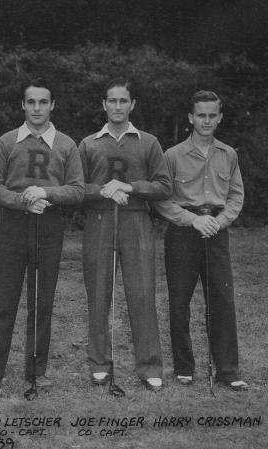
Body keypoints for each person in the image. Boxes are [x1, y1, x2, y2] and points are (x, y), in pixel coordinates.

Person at [0, 78, 84, 394]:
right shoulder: (6, 141)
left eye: (43, 102)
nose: (37, 108)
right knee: (3, 301)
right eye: (31, 102)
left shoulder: (66, 144)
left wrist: (48, 194)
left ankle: (36, 371)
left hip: (49, 228)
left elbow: (78, 189)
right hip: (12, 225)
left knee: (41, 302)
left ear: (52, 105)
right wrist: (22, 200)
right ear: (23, 105)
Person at [79, 77, 172, 391]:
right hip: (100, 220)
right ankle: (99, 363)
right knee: (99, 293)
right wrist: (105, 190)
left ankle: (150, 366)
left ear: (132, 105)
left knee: (142, 293)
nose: (117, 106)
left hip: (136, 222)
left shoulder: (148, 142)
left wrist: (130, 187)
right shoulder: (89, 143)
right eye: (112, 101)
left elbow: (163, 186)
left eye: (123, 101)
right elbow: (76, 188)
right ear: (103, 105)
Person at [154, 91, 247, 391]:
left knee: (223, 300)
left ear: (219, 117)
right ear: (191, 118)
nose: (206, 121)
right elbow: (162, 200)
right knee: (179, 302)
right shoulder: (172, 155)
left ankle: (228, 371)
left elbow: (235, 195)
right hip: (183, 232)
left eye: (212, 115)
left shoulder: (228, 154)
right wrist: (192, 219)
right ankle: (184, 367)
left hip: (216, 233)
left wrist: (218, 222)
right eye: (201, 115)